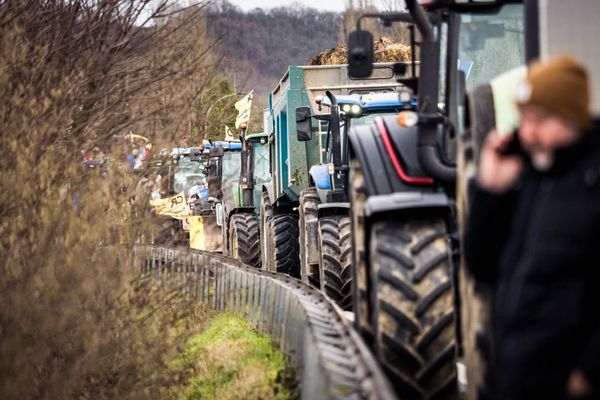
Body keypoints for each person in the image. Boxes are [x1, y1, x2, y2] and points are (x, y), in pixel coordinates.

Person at [464, 54, 600, 399]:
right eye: (523, 119)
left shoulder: (590, 183)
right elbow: (482, 267)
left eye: (539, 120)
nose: (527, 132)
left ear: (570, 117)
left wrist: (589, 373)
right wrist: (490, 191)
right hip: (515, 377)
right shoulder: (531, 178)